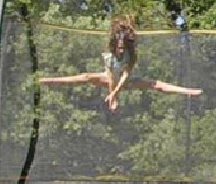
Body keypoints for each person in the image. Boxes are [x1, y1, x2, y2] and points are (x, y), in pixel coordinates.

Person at [39, 14, 202, 111]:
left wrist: (115, 94)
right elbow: (110, 77)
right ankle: (49, 80)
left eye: (124, 46)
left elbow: (125, 76)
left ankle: (187, 91)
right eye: (119, 47)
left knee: (155, 84)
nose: (122, 49)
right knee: (86, 76)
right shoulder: (108, 56)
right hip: (111, 79)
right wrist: (112, 96)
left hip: (126, 81)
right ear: (114, 45)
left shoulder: (131, 56)